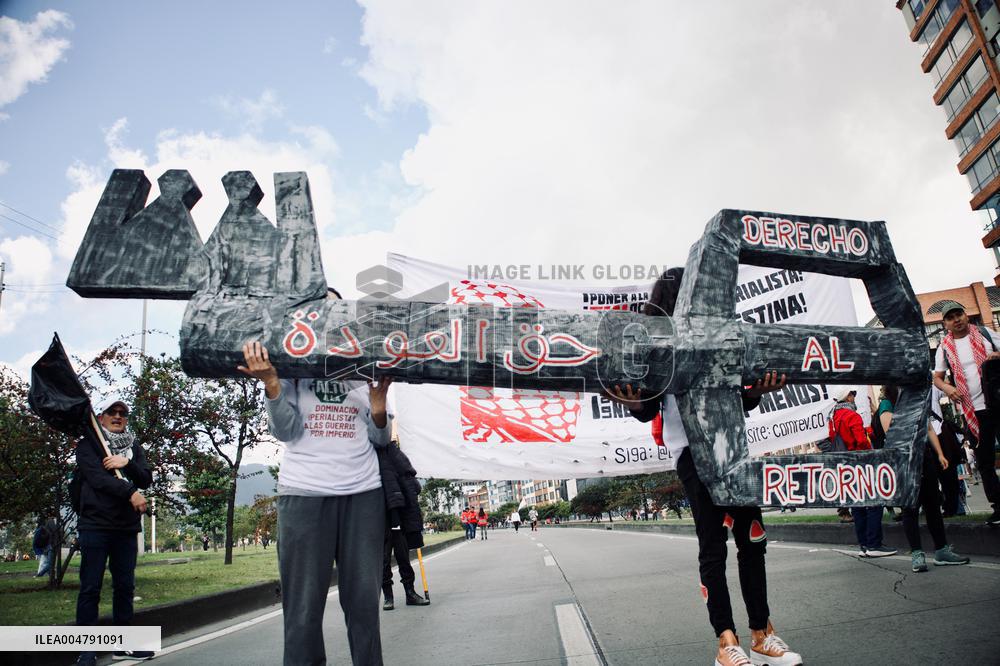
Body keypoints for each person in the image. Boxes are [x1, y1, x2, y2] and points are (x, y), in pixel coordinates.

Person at [609, 267, 801, 666]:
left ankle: (762, 634)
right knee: (712, 546)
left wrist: (757, 391)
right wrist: (630, 402)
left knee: (753, 538)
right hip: (692, 452)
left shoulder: (723, 332)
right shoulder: (653, 342)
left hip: (730, 446)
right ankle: (725, 641)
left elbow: (741, 395)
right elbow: (646, 407)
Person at [240, 340, 392, 666]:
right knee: (303, 607)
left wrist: (378, 408)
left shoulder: (366, 371)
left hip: (363, 494)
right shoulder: (295, 372)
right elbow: (286, 431)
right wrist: (271, 384)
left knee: (364, 604)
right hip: (304, 495)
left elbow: (380, 439)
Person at [74, 399, 154, 665]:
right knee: (90, 588)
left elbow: (145, 477)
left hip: (126, 528)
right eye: (112, 412)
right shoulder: (88, 444)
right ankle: (86, 649)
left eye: (123, 413)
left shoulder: (132, 447)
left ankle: (123, 645)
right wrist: (130, 491)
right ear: (102, 416)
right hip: (95, 525)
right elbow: (97, 479)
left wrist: (126, 463)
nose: (118, 416)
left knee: (124, 586)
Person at [881, 386, 971, 571]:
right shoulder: (886, 403)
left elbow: (928, 427)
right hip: (904, 462)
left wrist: (939, 454)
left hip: (925, 457)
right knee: (910, 508)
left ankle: (942, 550)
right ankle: (917, 554)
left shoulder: (917, 398)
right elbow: (890, 429)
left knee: (933, 505)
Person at [933, 300, 1000, 525]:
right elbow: (937, 378)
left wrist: (996, 356)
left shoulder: (985, 333)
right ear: (945, 324)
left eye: (959, 314)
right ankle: (998, 505)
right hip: (973, 411)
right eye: (951, 317)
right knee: (985, 460)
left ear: (965, 315)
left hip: (997, 402)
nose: (957, 319)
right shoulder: (944, 347)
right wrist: (949, 388)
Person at [834, 389, 895, 558]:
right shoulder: (852, 416)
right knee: (875, 503)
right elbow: (861, 441)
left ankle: (864, 545)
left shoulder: (834, 418)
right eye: (852, 394)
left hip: (846, 467)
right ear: (847, 397)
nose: (854, 396)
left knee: (857, 507)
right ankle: (874, 544)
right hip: (862, 464)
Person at [380, 441, 429, 610]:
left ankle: (409, 593)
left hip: (398, 515)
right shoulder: (371, 453)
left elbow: (411, 482)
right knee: (384, 559)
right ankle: (389, 596)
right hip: (380, 515)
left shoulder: (393, 452)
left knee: (401, 556)